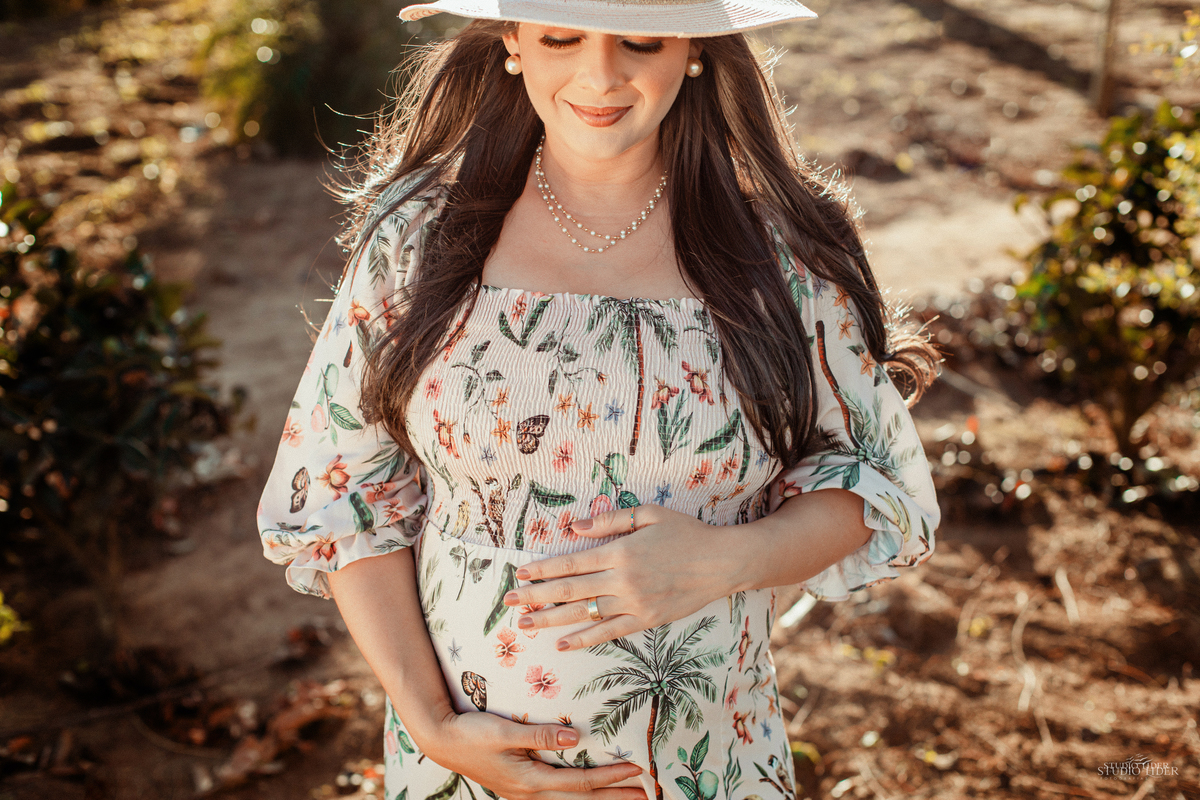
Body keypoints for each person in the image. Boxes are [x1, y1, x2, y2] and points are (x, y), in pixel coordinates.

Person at [257, 0, 941, 797]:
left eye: (640, 40)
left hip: (708, 767)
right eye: (561, 36)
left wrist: (730, 560)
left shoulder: (781, 254)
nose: (601, 75)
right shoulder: (418, 235)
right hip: (461, 772)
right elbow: (346, 495)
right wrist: (433, 727)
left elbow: (875, 483)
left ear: (694, 48)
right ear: (514, 42)